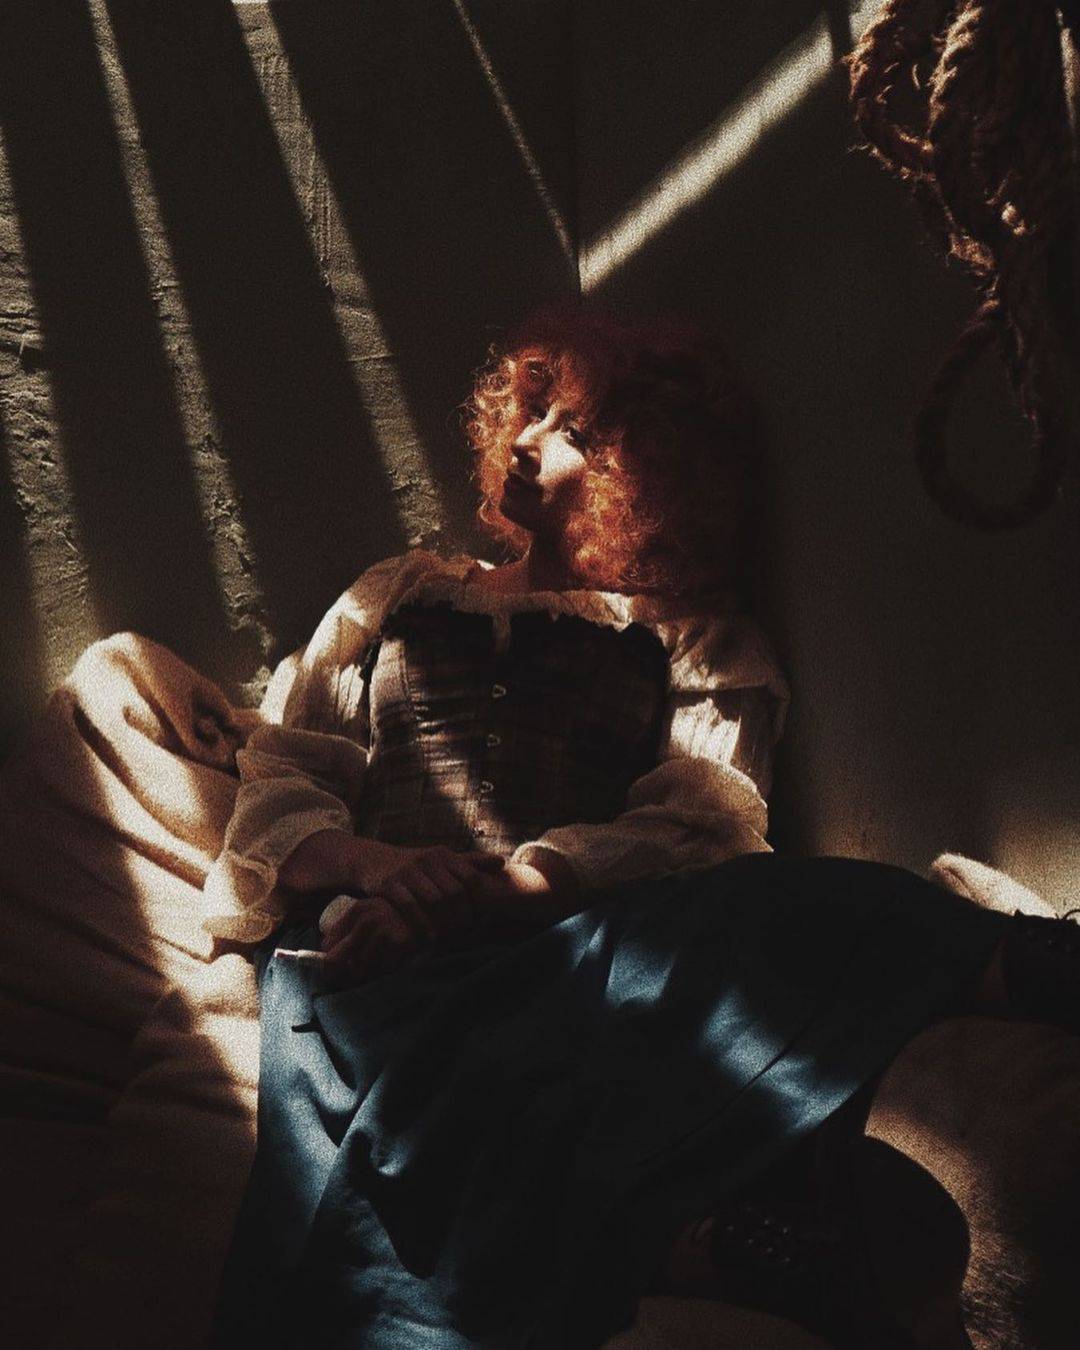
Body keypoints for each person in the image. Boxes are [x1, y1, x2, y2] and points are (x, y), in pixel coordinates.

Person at [207, 307, 1079, 1350]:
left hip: (567, 950)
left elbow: (700, 825)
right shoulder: (395, 597)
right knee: (428, 1092)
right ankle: (707, 1245)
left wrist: (506, 889)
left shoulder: (688, 640)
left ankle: (1026, 963)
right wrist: (384, 871)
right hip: (378, 958)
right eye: (532, 411)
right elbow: (286, 773)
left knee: (783, 895)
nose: (527, 440)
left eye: (571, 430)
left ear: (642, 475)